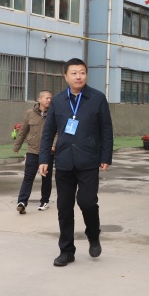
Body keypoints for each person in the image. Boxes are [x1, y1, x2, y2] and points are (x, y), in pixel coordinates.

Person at [39, 58, 114, 266]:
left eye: (82, 72)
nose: (78, 76)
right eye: (74, 73)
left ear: (86, 75)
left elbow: (106, 130)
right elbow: (48, 132)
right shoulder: (58, 101)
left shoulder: (97, 98)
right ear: (66, 76)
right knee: (64, 207)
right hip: (64, 160)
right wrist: (44, 158)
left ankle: (93, 234)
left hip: (88, 160)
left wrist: (105, 156)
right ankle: (66, 251)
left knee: (87, 202)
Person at [13, 91, 53, 214]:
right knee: (28, 177)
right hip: (32, 150)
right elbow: (23, 131)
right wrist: (17, 146)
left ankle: (44, 201)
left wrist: (54, 144)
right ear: (39, 99)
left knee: (46, 178)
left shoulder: (53, 113)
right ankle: (22, 202)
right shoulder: (30, 113)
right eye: (47, 98)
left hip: (47, 152)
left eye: (50, 98)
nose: (49, 100)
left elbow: (57, 131)